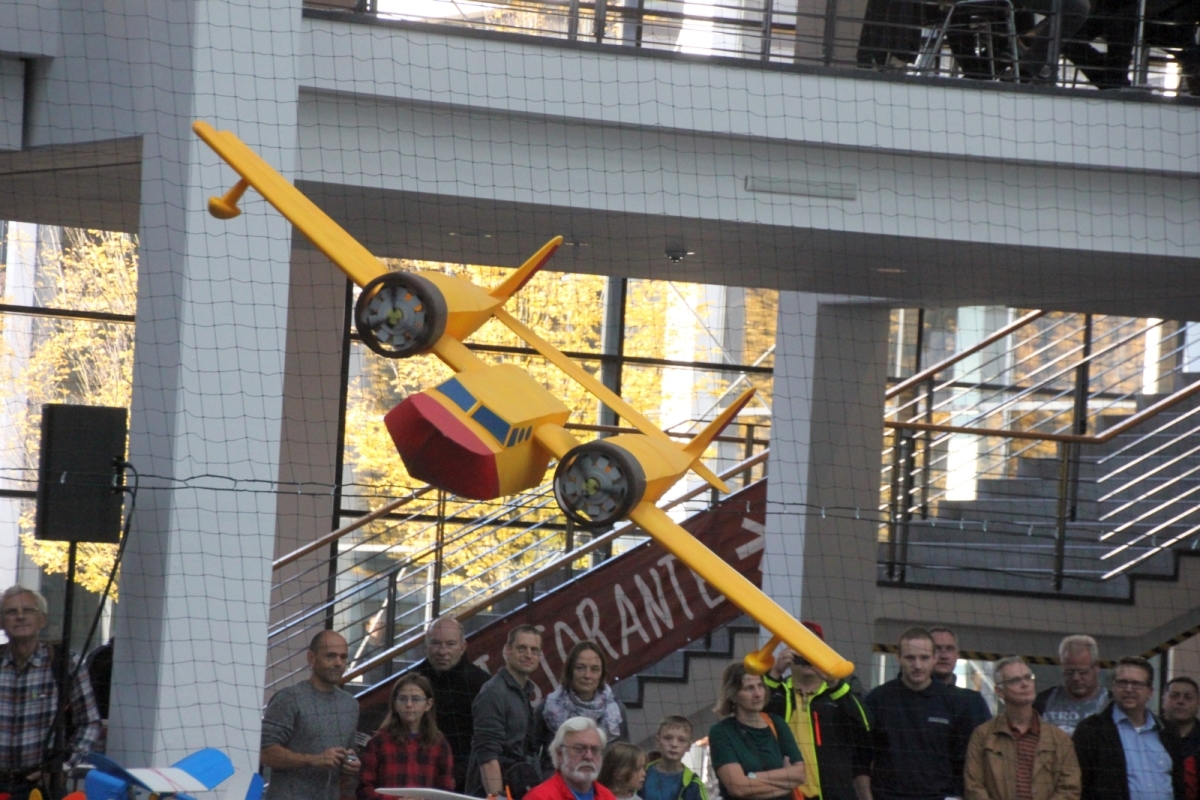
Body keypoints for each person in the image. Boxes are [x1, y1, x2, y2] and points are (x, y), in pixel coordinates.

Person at [0, 585, 101, 800]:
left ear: (42, 620)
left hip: (42, 786)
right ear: (1, 622)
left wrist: (63, 768)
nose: (20, 616)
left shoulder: (65, 663)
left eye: (28, 610)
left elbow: (90, 723)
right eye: (11, 612)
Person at [863, 626, 979, 800]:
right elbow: (861, 759)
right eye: (910, 658)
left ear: (934, 659)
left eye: (924, 658)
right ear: (898, 658)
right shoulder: (877, 700)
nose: (917, 665)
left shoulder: (955, 703)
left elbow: (965, 761)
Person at [763, 621, 872, 800]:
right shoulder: (778, 692)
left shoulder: (839, 693)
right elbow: (751, 716)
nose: (807, 656)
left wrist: (835, 683)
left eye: (812, 649)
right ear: (789, 652)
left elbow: (866, 727)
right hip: (782, 795)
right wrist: (774, 674)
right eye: (800, 648)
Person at [261, 630, 361, 800]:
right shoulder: (289, 698)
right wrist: (312, 760)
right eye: (330, 656)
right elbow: (264, 752)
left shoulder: (350, 704)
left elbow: (350, 750)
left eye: (343, 657)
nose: (338, 663)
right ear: (311, 658)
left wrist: (351, 761)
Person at [964, 656, 1081, 800]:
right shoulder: (982, 736)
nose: (1025, 684)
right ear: (999, 691)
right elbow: (973, 787)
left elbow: (1069, 789)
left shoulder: (1059, 739)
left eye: (1028, 678)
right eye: (1015, 680)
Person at [1073, 656, 1183, 800]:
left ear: (1150, 692)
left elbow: (1179, 785)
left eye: (1137, 684)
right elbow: (1079, 785)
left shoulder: (1168, 731)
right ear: (1113, 687)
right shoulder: (1091, 729)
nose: (1129, 689)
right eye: (1122, 682)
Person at [709, 662, 807, 800]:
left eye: (760, 686)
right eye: (749, 688)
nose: (757, 694)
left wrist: (752, 777)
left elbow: (800, 774)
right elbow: (739, 788)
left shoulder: (777, 723)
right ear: (733, 695)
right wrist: (786, 780)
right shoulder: (721, 732)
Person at [414, 615, 490, 791]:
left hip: (466, 781)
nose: (443, 651)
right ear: (426, 645)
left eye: (450, 644)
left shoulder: (482, 685)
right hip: (415, 774)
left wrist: (458, 774)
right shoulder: (411, 682)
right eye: (436, 643)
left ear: (463, 647)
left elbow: (486, 742)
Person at [467, 624, 544, 798]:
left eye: (534, 650)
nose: (528, 655)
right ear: (507, 651)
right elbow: (487, 755)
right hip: (492, 793)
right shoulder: (494, 693)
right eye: (521, 648)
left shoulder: (522, 692)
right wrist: (497, 797)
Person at [358, 674, 455, 800]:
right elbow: (364, 790)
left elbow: (446, 790)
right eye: (403, 699)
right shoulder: (378, 742)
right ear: (395, 703)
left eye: (416, 699)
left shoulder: (439, 743)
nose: (409, 704)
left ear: (428, 704)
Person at [536, 640, 629, 771]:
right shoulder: (548, 707)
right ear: (570, 671)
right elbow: (530, 752)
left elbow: (624, 758)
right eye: (580, 668)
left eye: (594, 669)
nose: (587, 675)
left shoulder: (617, 711)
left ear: (602, 674)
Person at [1034, 635, 1111, 736]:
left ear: (1096, 666)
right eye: (1069, 672)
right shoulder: (1043, 701)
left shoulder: (1112, 703)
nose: (1076, 678)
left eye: (1083, 672)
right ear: (1062, 667)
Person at [524, 717, 617, 800]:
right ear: (559, 754)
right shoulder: (540, 797)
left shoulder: (607, 796)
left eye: (595, 750)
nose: (589, 756)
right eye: (579, 749)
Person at [930, 626, 993, 732]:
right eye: (937, 649)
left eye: (950, 649)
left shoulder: (974, 701)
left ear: (957, 655)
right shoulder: (913, 699)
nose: (944, 656)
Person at [643, 717, 707, 800]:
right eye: (668, 738)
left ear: (689, 746)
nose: (674, 744)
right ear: (657, 741)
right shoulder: (642, 773)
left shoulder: (694, 783)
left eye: (681, 740)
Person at [1163, 677, 1200, 800]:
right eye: (1174, 696)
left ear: (1198, 702)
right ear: (1163, 699)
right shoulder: (1149, 735)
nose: (1181, 701)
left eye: (1188, 697)